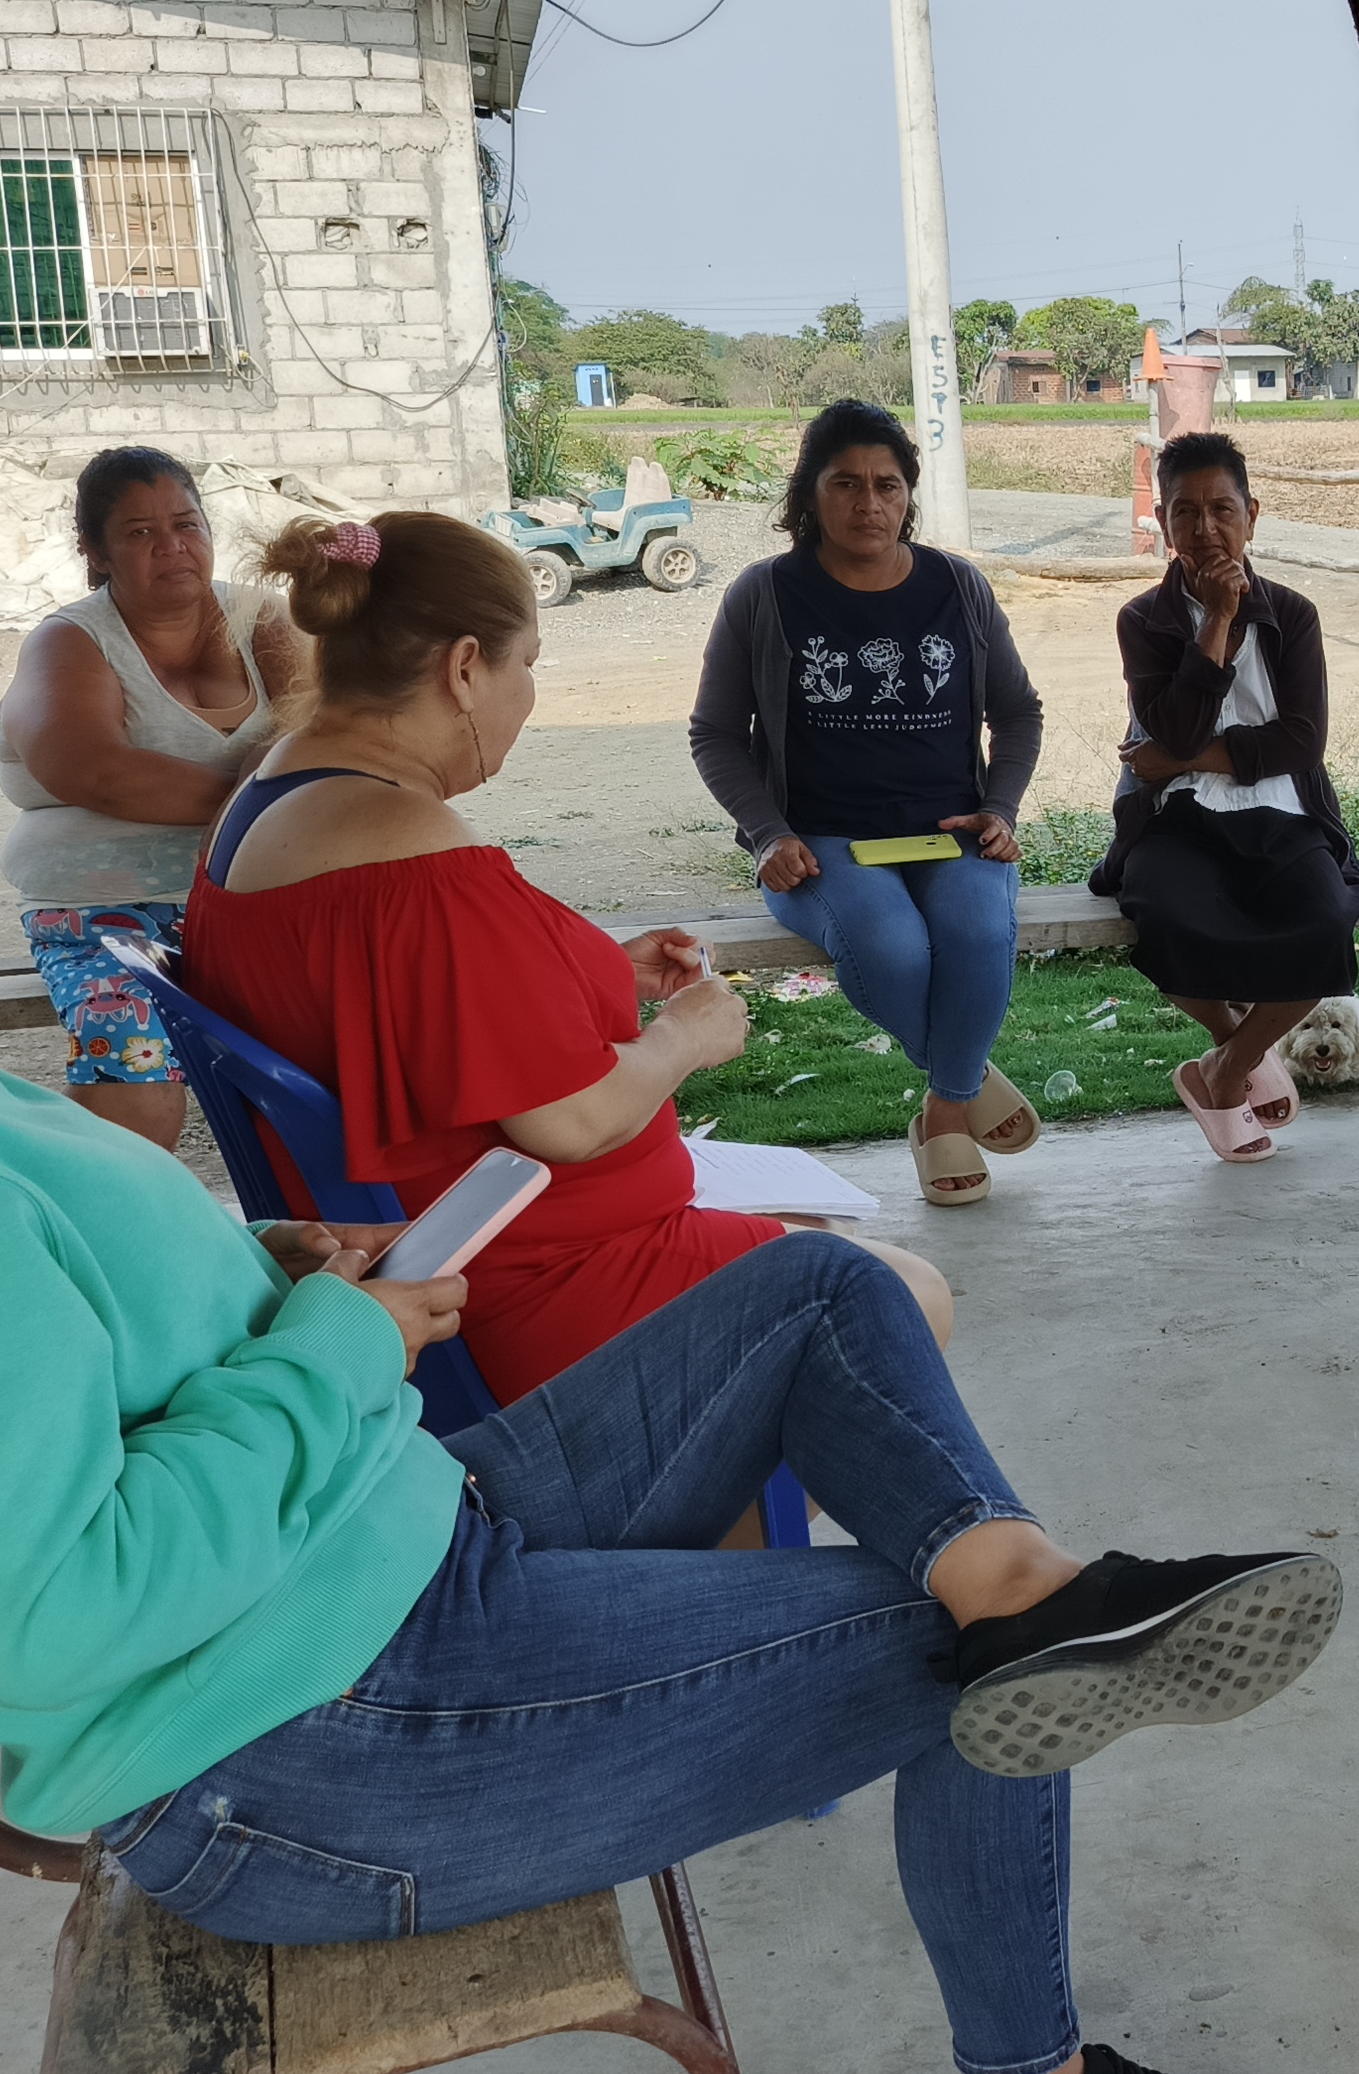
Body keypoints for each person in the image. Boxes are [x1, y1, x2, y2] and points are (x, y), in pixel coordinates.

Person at [0, 578, 1348, 2074]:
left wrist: (259, 1270)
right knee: (968, 1673)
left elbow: (37, 1338)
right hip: (299, 1736)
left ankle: (1020, 1577)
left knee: (823, 1291)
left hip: (361, 1551)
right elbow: (48, 1606)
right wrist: (333, 1345)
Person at [179, 511, 950, 1407]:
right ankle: (685, 1493)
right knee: (905, 1294)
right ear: (465, 668)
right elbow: (573, 1124)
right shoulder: (412, 851)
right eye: (529, 663)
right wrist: (686, 1035)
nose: (528, 694)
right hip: (525, 1283)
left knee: (815, 1227)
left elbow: (406, 991)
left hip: (457, 1237)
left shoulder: (273, 790)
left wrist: (593, 973)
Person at [689, 402, 1044, 1209]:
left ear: (908, 494)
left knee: (978, 929)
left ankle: (944, 1107)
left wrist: (1001, 809)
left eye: (887, 485)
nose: (868, 503)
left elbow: (1017, 712)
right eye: (845, 483)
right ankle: (965, 1081)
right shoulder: (764, 594)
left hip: (952, 830)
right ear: (809, 494)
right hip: (819, 842)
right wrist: (768, 834)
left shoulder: (959, 587)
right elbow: (716, 733)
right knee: (889, 945)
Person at [0, 446, 303, 1150]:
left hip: (246, 904)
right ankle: (100, 1214)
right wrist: (262, 795)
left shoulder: (261, 619)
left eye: (187, 524)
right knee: (139, 1080)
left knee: (357, 1039)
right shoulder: (70, 642)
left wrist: (283, 780)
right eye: (140, 532)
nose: (173, 546)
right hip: (102, 914)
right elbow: (93, 771)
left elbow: (323, 734)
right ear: (96, 552)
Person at [1098, 431, 1359, 1159]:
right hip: (1176, 814)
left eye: (1222, 509)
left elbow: (1300, 742)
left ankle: (1225, 1069)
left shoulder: (1294, 614)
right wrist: (1216, 620)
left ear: (1252, 515)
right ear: (1163, 522)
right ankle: (1237, 1047)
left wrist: (1181, 758)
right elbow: (1176, 723)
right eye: (1184, 512)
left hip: (1280, 806)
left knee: (1324, 927)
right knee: (1164, 919)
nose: (1205, 528)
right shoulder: (1142, 620)